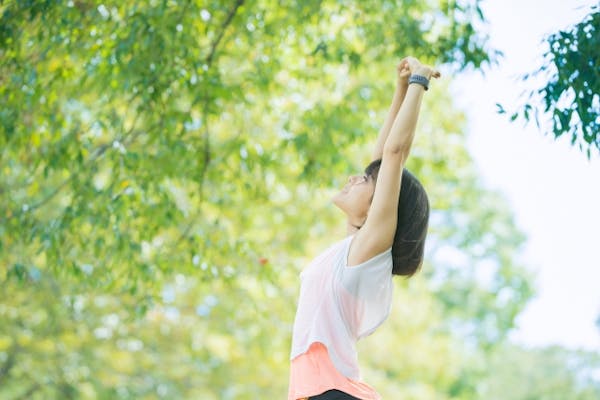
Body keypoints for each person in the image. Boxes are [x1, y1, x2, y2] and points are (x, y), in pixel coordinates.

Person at [288, 56, 440, 400]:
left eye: (365, 181)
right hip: (320, 392)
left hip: (334, 393)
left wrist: (420, 81)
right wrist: (400, 88)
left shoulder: (370, 246)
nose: (354, 178)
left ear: (379, 208)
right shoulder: (352, 248)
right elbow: (382, 158)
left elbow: (395, 153)